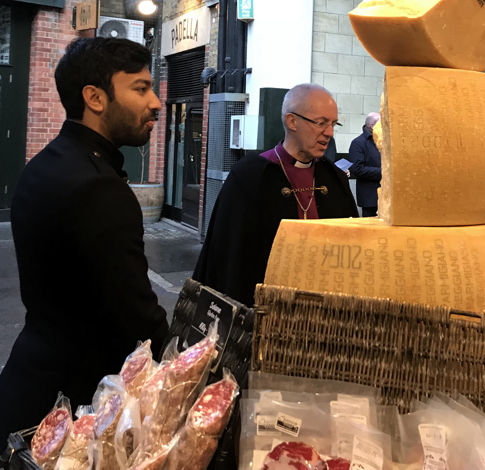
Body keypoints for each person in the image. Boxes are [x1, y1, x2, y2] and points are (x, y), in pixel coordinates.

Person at [0, 38, 169, 444]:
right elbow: (136, 317)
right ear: (94, 97)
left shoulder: (45, 164)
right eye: (141, 88)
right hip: (75, 406)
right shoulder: (98, 187)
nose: (157, 103)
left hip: (31, 380)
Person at [193, 83, 358, 306]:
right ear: (292, 121)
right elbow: (227, 256)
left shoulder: (334, 178)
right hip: (264, 309)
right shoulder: (250, 176)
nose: (329, 133)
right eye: (320, 123)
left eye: (332, 124)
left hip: (325, 311)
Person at [348, 112, 381, 217]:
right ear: (372, 126)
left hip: (386, 195)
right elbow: (357, 169)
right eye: (381, 124)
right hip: (370, 197)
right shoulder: (358, 143)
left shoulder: (383, 141)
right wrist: (384, 172)